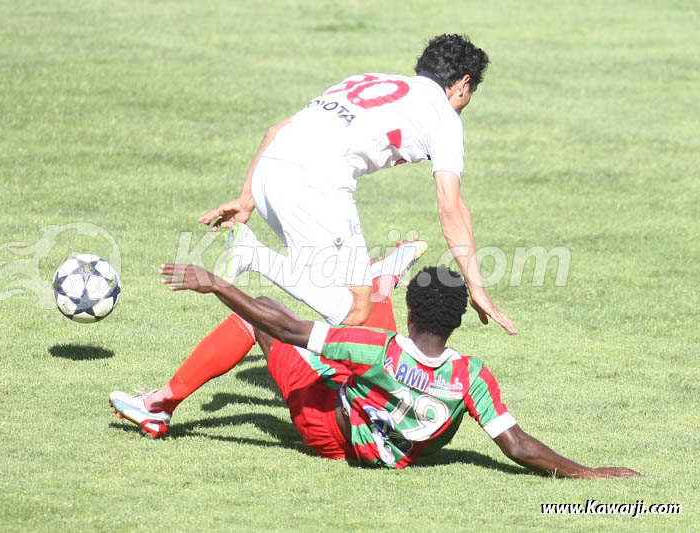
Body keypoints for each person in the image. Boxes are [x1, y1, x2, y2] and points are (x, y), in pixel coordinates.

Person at [109, 264, 639, 478]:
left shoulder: (377, 350)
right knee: (353, 354)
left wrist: (219, 285)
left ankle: (160, 405)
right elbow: (518, 446)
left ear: (413, 313)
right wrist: (589, 473)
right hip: (395, 452)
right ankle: (382, 283)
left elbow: (286, 327)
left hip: (329, 431)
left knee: (261, 316)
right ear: (458, 320)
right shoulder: (471, 375)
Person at [198, 33, 517, 335]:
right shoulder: (444, 117)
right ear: (463, 83)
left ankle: (374, 279)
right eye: (471, 91)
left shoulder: (368, 80)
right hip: (315, 181)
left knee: (332, 286)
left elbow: (275, 131)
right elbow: (452, 208)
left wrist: (246, 200)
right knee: (355, 308)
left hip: (268, 172)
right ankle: (254, 255)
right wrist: (477, 287)